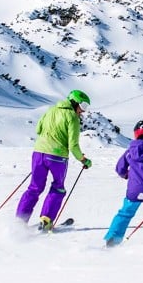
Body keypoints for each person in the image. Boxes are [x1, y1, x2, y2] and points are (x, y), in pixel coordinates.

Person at [16, 89, 93, 232]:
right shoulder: (72, 117)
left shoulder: (50, 111)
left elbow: (38, 130)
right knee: (58, 187)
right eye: (83, 106)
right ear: (74, 102)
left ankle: (20, 220)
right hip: (57, 157)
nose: (82, 111)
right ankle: (46, 220)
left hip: (38, 153)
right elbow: (73, 145)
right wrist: (83, 159)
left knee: (34, 187)